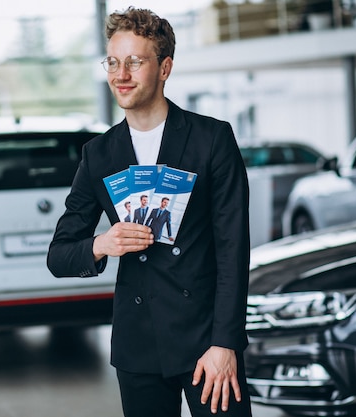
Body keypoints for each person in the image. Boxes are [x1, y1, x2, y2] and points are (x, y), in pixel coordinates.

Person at [47, 6, 251, 417]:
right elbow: (59, 255)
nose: (121, 74)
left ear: (165, 68)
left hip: (205, 341)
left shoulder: (211, 139)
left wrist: (225, 343)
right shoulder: (98, 155)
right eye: (113, 62)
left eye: (135, 62)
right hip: (137, 345)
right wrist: (104, 243)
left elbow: (233, 250)